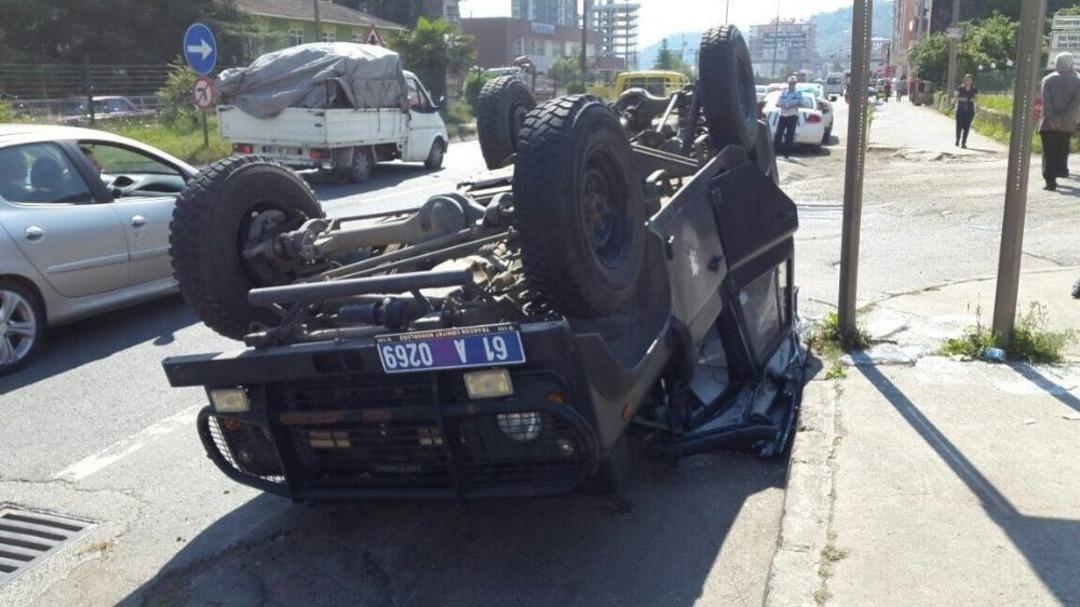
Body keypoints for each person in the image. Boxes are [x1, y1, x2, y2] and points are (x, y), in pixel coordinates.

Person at [1038, 52, 1080, 191]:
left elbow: (1046, 101)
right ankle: (1061, 170)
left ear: (1057, 64)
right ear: (1070, 64)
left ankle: (1050, 181)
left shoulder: (1047, 79)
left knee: (1048, 151)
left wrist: (1052, 118)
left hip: (1048, 123)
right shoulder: (1077, 80)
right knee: (1062, 148)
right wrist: (1061, 117)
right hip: (1067, 123)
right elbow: (1075, 101)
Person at [775, 76, 801, 158]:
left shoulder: (798, 94)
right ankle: (776, 153)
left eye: (793, 83)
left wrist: (792, 105)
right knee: (778, 135)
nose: (791, 85)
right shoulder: (784, 93)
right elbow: (777, 103)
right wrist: (782, 104)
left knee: (789, 136)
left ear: (795, 84)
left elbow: (801, 103)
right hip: (783, 116)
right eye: (790, 83)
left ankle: (786, 154)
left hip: (792, 116)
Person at [953, 74, 977, 148]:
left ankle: (963, 142)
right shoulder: (960, 88)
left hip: (970, 110)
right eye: (966, 80)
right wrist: (961, 99)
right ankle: (957, 139)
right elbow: (955, 97)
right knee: (959, 126)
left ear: (972, 81)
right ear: (964, 80)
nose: (968, 81)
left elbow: (976, 98)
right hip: (961, 110)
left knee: (967, 127)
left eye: (969, 80)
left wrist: (973, 99)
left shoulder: (974, 89)